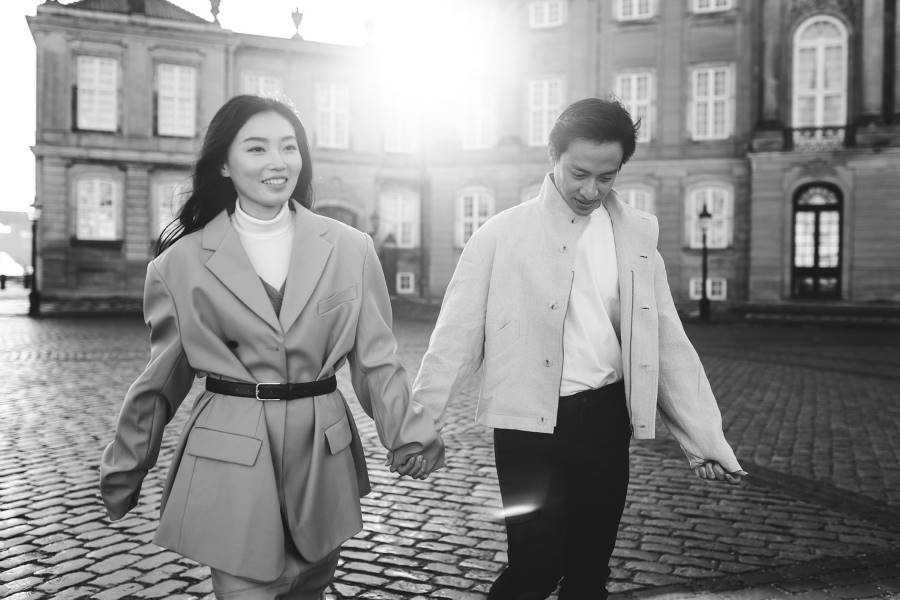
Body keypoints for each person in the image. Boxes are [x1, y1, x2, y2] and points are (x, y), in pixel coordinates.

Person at [99, 94, 443, 600]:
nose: (277, 162)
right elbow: (160, 382)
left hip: (321, 453)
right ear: (223, 162)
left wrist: (408, 433)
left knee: (311, 585)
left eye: (289, 147)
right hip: (230, 453)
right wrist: (127, 466)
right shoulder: (178, 265)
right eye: (256, 148)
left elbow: (375, 360)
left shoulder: (352, 248)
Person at [412, 98, 746, 600]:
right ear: (553, 155)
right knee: (535, 568)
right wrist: (418, 426)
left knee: (590, 571)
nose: (591, 190)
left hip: (605, 419)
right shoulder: (500, 235)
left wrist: (704, 439)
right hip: (526, 427)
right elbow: (453, 339)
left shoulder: (636, 239)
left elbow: (667, 341)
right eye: (579, 173)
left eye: (607, 177)